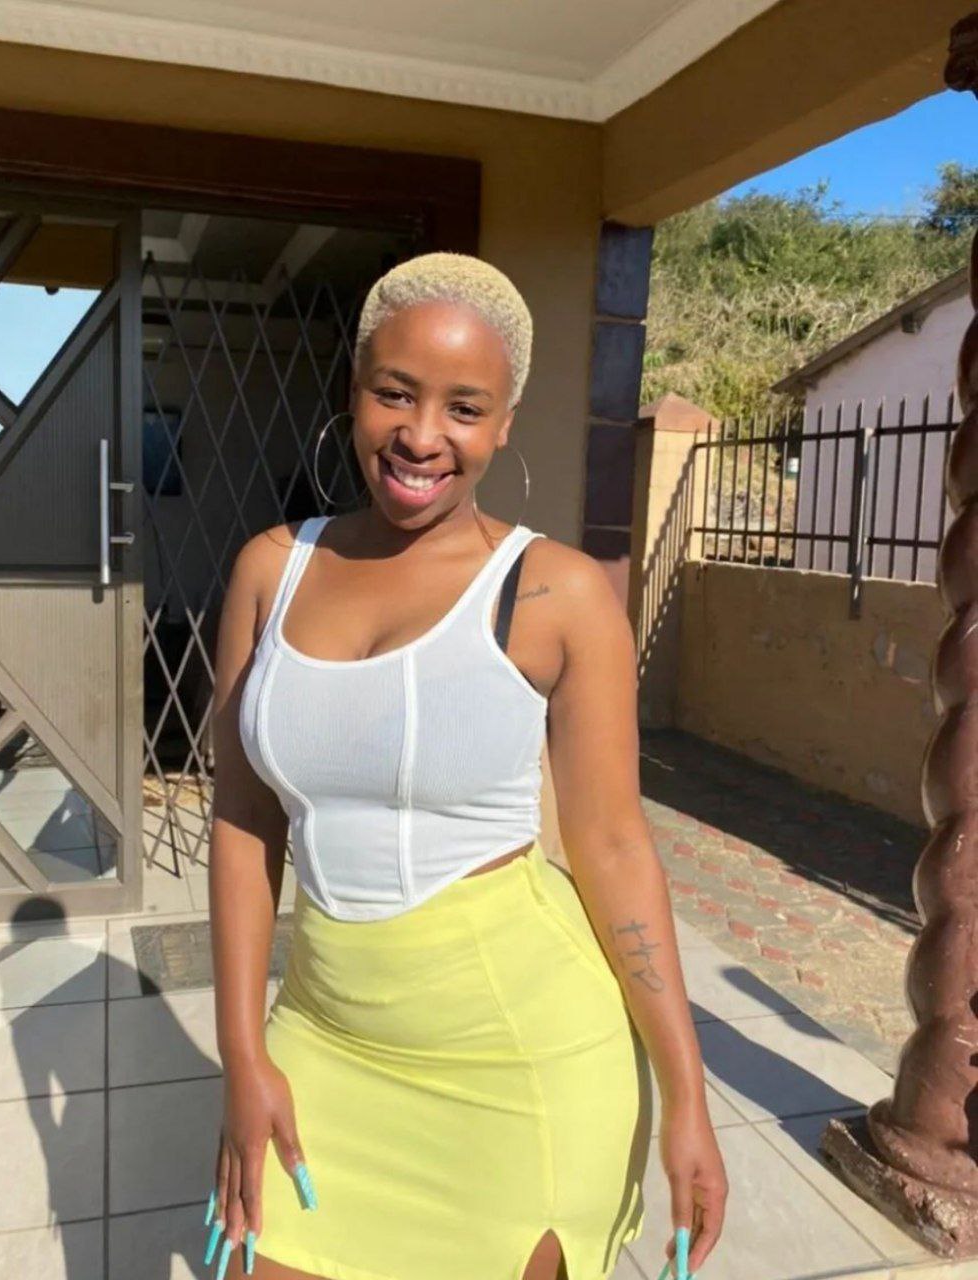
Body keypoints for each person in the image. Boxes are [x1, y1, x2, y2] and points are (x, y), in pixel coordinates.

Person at [205, 251, 728, 1280]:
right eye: (395, 392)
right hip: (323, 1029)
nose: (421, 434)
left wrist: (687, 1099)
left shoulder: (557, 593)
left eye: (464, 407)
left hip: (521, 1058)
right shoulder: (272, 568)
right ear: (355, 391)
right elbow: (241, 819)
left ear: (503, 422)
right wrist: (241, 1054)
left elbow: (613, 845)